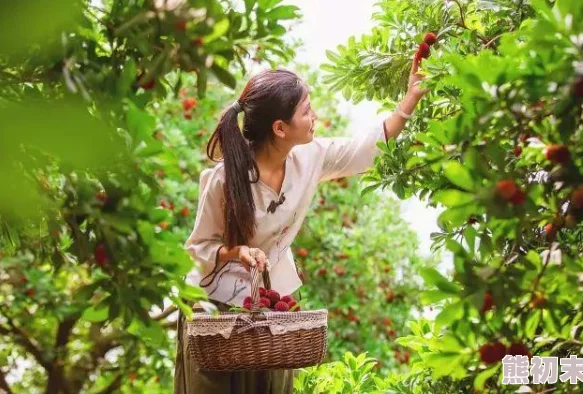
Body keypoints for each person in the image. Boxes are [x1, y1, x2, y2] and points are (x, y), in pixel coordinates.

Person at [174, 56, 428, 394]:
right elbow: (198, 248)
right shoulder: (227, 178)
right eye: (307, 111)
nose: (315, 117)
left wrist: (411, 97)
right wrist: (238, 252)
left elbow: (366, 149)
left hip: (269, 307)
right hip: (215, 312)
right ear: (280, 128)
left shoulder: (310, 157)